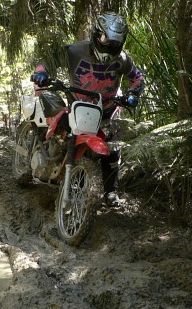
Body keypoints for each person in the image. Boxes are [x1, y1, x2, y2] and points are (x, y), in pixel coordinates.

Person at [30, 12, 145, 207]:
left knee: (112, 150)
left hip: (107, 108)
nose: (108, 47)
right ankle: (48, 159)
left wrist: (133, 94)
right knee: (60, 132)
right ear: (96, 34)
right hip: (77, 104)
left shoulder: (123, 59)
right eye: (104, 40)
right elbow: (49, 60)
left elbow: (138, 78)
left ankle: (110, 191)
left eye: (115, 44)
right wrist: (41, 73)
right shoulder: (75, 51)